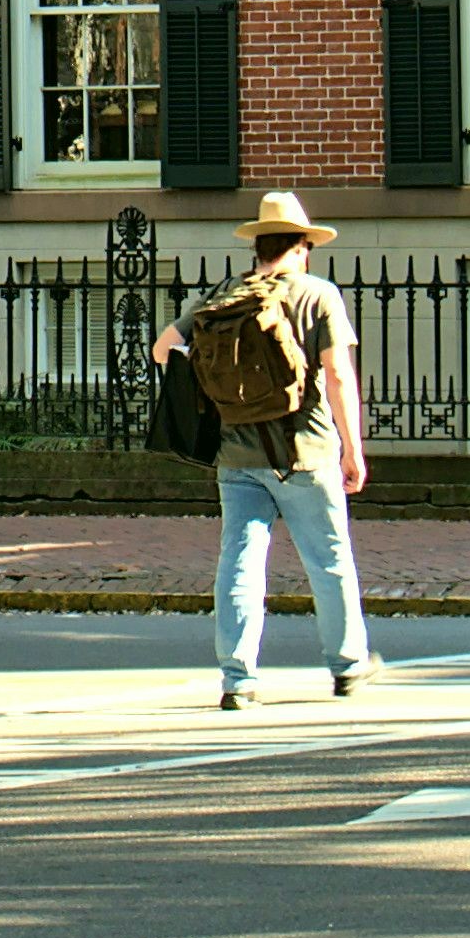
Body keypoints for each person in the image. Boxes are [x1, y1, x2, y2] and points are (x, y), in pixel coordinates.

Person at [149, 189, 372, 710]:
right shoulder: (318, 295)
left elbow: (165, 349)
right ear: (300, 246)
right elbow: (338, 375)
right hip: (307, 451)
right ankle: (347, 667)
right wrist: (352, 449)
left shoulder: (222, 296)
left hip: (237, 455)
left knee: (241, 562)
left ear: (258, 247)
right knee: (330, 559)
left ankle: (238, 678)